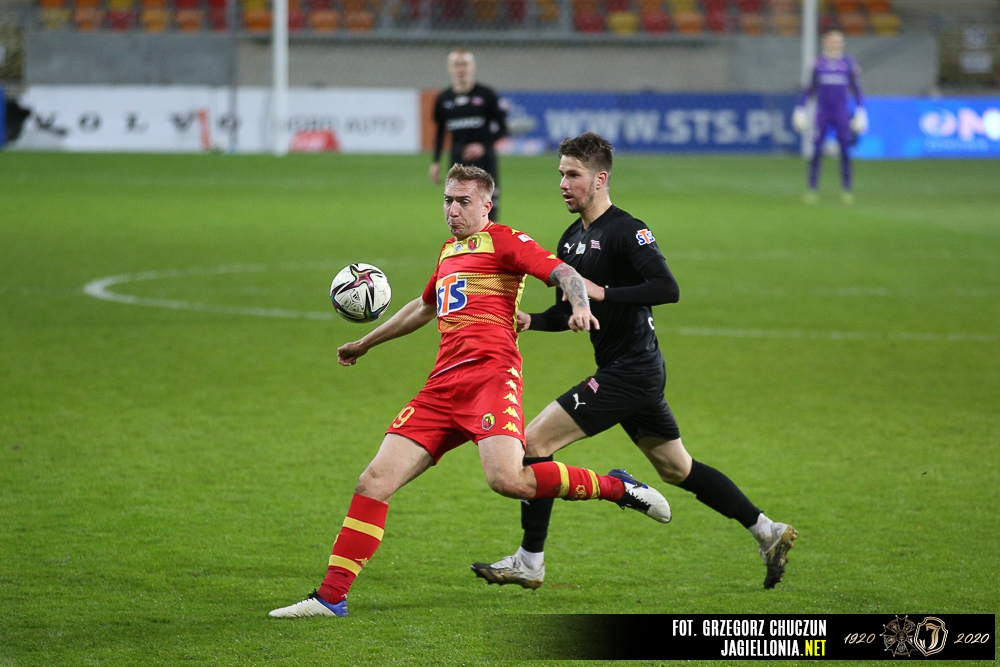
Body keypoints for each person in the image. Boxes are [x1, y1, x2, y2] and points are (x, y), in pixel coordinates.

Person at [269, 164, 671, 619]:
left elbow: (565, 273)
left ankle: (618, 487)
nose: (453, 210)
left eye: (463, 202)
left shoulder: (506, 241)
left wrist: (579, 305)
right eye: (448, 200)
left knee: (508, 480)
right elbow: (423, 308)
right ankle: (330, 597)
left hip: (490, 379)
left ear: (486, 204)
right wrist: (365, 343)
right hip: (441, 389)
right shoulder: (448, 251)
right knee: (373, 482)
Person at [471, 133, 797, 591]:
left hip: (633, 370)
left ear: (600, 179)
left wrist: (603, 293)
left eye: (573, 175)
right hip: (630, 373)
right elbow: (569, 312)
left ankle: (530, 561)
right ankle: (767, 530)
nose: (563, 183)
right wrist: (533, 320)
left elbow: (667, 288)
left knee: (534, 442)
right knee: (677, 469)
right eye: (560, 174)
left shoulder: (627, 229)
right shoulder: (571, 240)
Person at [429, 48, 508, 220]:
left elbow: (503, 128)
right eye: (456, 65)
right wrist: (435, 162)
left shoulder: (486, 95)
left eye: (464, 64)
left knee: (488, 212)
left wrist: (483, 146)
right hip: (458, 163)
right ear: (449, 69)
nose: (460, 69)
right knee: (460, 215)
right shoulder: (443, 99)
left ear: (473, 67)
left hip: (485, 162)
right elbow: (440, 133)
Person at [793, 29, 867, 204]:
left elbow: (857, 89)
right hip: (823, 113)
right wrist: (800, 109)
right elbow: (809, 89)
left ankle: (846, 189)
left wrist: (861, 110)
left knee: (845, 150)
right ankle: (812, 188)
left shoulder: (848, 64)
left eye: (838, 41)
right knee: (817, 150)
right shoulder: (818, 64)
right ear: (825, 43)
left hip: (841, 113)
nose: (835, 44)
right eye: (832, 41)